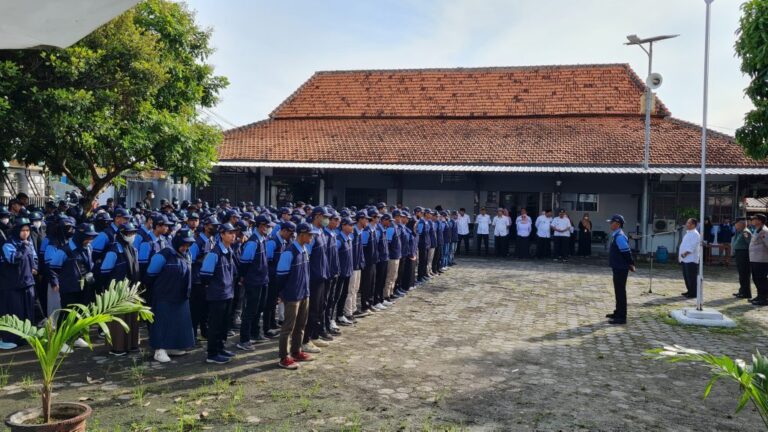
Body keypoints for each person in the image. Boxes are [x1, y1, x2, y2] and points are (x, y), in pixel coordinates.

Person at [146, 229, 196, 363]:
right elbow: (150, 274)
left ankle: (172, 346)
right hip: (164, 294)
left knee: (177, 322)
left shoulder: (187, 254)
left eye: (189, 245)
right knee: (162, 322)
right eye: (184, 244)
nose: (186, 247)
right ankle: (159, 350)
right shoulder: (164, 254)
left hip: (180, 295)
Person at [47, 222, 98, 352]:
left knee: (80, 313)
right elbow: (53, 268)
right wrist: (55, 282)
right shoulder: (65, 250)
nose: (90, 240)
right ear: (80, 236)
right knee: (66, 314)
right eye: (88, 237)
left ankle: (76, 336)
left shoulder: (88, 248)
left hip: (85, 287)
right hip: (69, 288)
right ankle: (61, 341)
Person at [275, 222, 315, 370]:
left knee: (301, 325)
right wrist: (281, 294)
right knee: (288, 327)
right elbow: (280, 276)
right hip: (292, 296)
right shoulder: (289, 252)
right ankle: (284, 357)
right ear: (302, 235)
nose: (311, 237)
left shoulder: (304, 249)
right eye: (310, 235)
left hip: (304, 293)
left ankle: (296, 351)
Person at [99, 222, 141, 356]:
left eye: (133, 233)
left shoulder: (133, 249)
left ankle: (132, 345)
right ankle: (118, 347)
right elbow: (104, 271)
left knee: (132, 319)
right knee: (118, 320)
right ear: (121, 234)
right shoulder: (114, 251)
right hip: (117, 291)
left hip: (132, 289)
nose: (131, 236)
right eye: (128, 234)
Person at [200, 222, 239, 365]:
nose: (233, 235)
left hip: (228, 292)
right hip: (217, 294)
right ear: (221, 235)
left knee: (224, 325)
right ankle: (212, 353)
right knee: (215, 325)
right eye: (229, 233)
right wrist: (215, 286)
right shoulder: (214, 253)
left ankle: (221, 348)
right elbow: (205, 275)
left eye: (234, 233)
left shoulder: (229, 250)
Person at [236, 215, 274, 351]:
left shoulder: (263, 239)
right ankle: (244, 340)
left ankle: (255, 333)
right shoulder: (253, 242)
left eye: (268, 227)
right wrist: (243, 277)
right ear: (259, 226)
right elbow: (245, 262)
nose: (267, 229)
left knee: (260, 308)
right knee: (250, 310)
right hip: (254, 280)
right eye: (265, 226)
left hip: (263, 279)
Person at [0, 218, 38, 350]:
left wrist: (34, 267)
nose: (25, 233)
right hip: (12, 286)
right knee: (14, 313)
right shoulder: (8, 244)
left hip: (27, 284)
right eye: (23, 230)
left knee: (28, 312)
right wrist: (23, 247)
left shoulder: (28, 243)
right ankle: (9, 338)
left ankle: (25, 336)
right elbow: (13, 259)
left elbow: (33, 257)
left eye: (27, 230)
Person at [303, 206, 332, 353]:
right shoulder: (311, 233)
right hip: (313, 277)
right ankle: (305, 340)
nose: (327, 220)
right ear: (317, 216)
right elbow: (305, 256)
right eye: (325, 217)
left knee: (320, 307)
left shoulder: (321, 232)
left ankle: (314, 335)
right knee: (312, 309)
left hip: (322, 275)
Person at [265, 221, 296, 334]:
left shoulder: (284, 241)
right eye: (290, 233)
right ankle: (266, 327)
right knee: (269, 302)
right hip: (271, 275)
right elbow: (268, 259)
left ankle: (272, 323)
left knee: (274, 301)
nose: (291, 236)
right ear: (284, 231)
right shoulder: (273, 241)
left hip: (277, 276)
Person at [605, 214, 635, 325]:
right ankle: (618, 312)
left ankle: (622, 317)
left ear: (617, 224)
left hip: (621, 268)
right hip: (617, 267)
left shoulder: (620, 236)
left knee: (621, 292)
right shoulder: (616, 235)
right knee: (618, 291)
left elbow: (626, 252)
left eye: (611, 222)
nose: (610, 224)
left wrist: (631, 263)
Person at [678, 218, 700, 299]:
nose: (687, 224)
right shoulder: (688, 233)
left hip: (691, 259)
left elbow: (692, 246)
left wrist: (685, 253)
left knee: (691, 277)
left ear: (693, 225)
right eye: (687, 223)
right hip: (685, 259)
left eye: (689, 223)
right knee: (686, 276)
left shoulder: (695, 234)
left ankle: (693, 293)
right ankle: (689, 290)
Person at [749, 214, 768, 306]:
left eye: (754, 219)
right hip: (755, 259)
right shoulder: (757, 230)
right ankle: (760, 296)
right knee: (756, 278)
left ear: (760, 221)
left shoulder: (764, 231)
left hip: (762, 259)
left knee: (761, 279)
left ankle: (764, 298)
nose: (752, 220)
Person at [732, 218, 752, 299]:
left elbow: (750, 243)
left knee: (744, 274)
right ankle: (742, 291)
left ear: (741, 224)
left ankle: (745, 293)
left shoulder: (745, 232)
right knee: (741, 274)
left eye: (736, 224)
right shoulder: (739, 232)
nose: (735, 226)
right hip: (739, 254)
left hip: (744, 254)